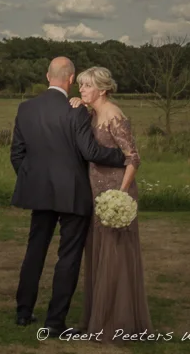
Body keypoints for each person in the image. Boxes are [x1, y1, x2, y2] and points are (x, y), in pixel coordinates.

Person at [10, 57, 126, 336]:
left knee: (34, 251)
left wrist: (34, 181)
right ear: (71, 78)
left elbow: (17, 155)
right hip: (73, 193)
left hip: (40, 193)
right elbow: (91, 152)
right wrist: (123, 156)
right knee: (69, 257)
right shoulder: (75, 111)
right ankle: (54, 322)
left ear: (47, 75)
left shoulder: (25, 108)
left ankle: (23, 313)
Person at [68, 66, 151, 340]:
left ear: (102, 89)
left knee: (115, 253)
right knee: (99, 251)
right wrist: (80, 104)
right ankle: (98, 316)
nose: (81, 90)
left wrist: (122, 193)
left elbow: (133, 158)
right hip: (96, 190)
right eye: (80, 85)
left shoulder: (114, 115)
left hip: (116, 191)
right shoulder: (92, 113)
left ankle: (117, 321)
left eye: (86, 86)